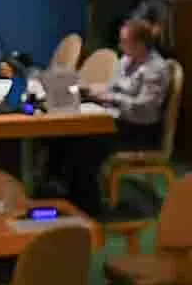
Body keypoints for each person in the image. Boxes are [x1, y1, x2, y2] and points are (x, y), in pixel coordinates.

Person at [62, 18, 172, 206]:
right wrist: (91, 89)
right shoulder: (127, 60)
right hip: (118, 121)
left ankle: (87, 204)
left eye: (124, 41)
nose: (120, 45)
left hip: (139, 130)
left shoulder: (156, 68)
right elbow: (112, 87)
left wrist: (110, 98)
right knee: (68, 138)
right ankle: (65, 192)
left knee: (85, 146)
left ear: (140, 44)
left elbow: (143, 106)